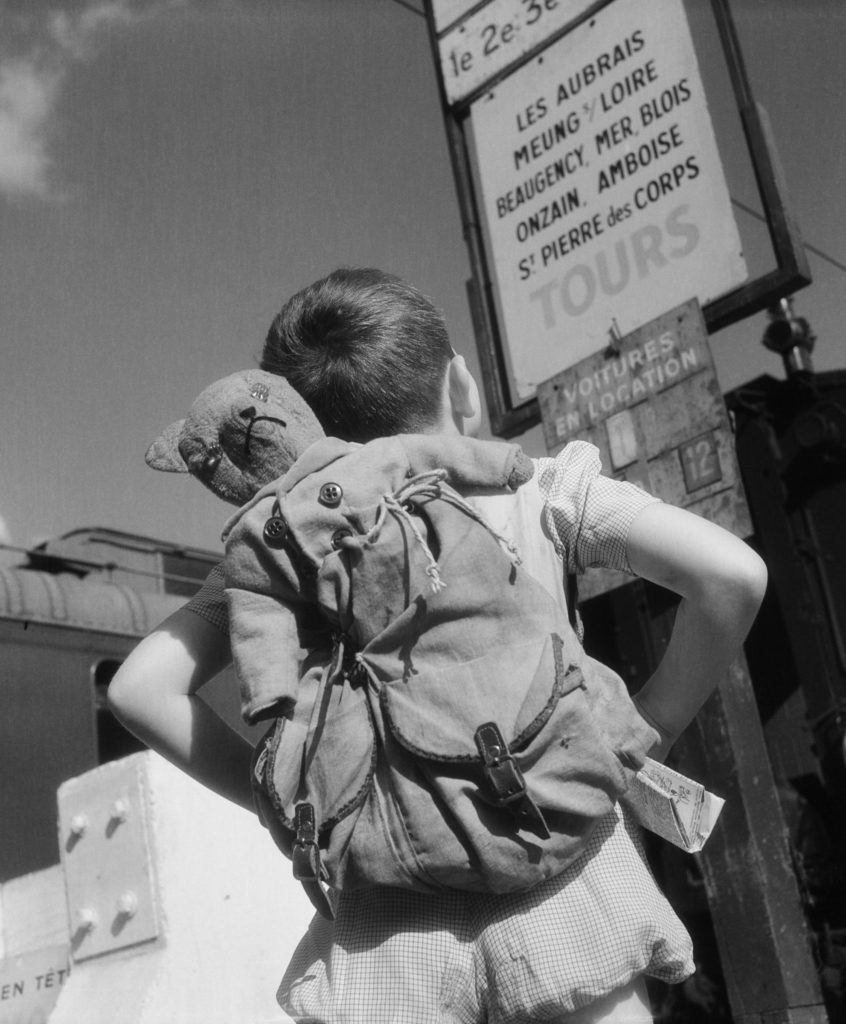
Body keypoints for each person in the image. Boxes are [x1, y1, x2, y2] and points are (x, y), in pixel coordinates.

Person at [109, 267, 768, 1023]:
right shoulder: (538, 490)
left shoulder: (285, 551)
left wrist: (284, 808)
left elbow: (140, 690)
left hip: (391, 936)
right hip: (565, 889)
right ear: (463, 387)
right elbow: (732, 576)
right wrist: (644, 728)